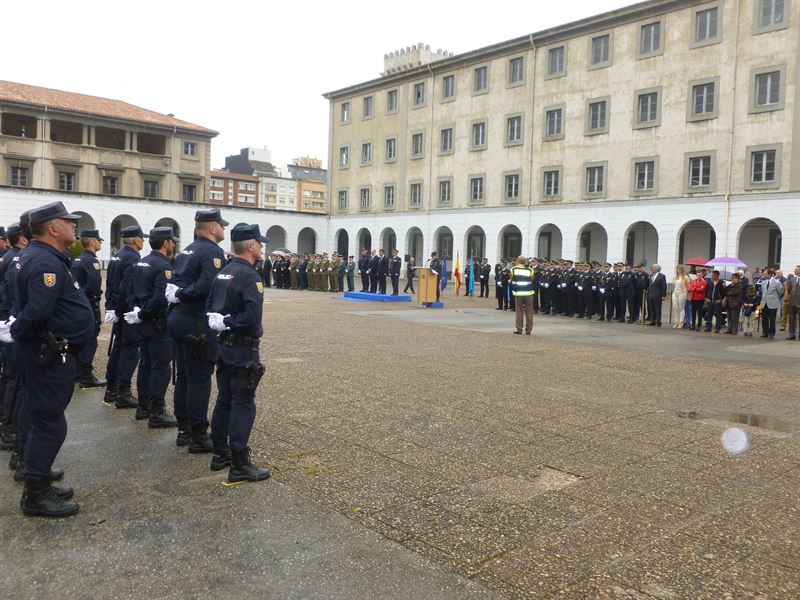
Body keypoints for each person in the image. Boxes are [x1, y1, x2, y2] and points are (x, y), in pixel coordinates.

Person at [2, 202, 95, 518]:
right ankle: (36, 494)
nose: (74, 227)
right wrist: (15, 330)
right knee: (49, 423)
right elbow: (36, 312)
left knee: (40, 416)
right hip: (49, 355)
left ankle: (36, 476)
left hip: (46, 353)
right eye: (69, 222)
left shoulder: (48, 257)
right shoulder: (44, 262)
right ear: (53, 228)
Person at [206, 224, 270, 482]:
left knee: (225, 398)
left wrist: (222, 322)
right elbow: (252, 317)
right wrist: (231, 321)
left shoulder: (224, 271)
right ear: (251, 246)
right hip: (242, 346)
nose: (262, 247)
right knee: (243, 403)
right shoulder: (250, 276)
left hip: (223, 345)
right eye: (260, 243)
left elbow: (210, 306)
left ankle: (219, 452)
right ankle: (240, 463)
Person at [166, 209, 228, 451]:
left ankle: (184, 430)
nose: (224, 229)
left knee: (184, 376)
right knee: (199, 379)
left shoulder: (188, 249)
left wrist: (179, 294)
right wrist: (183, 294)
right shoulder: (212, 251)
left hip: (179, 318)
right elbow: (207, 286)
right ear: (212, 228)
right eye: (221, 225)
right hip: (196, 320)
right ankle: (199, 435)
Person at [124, 227, 179, 428]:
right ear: (165, 243)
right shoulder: (163, 265)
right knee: (161, 367)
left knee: (146, 364)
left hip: (143, 322)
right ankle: (157, 411)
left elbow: (129, 290)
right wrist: (144, 313)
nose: (173, 244)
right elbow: (159, 298)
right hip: (157, 323)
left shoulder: (141, 261)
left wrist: (137, 311)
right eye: (172, 241)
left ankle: (143, 407)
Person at [103, 225, 148, 410]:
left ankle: (111, 388)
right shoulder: (133, 258)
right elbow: (126, 287)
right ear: (135, 240)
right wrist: (125, 309)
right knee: (129, 350)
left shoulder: (118, 255)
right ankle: (123, 392)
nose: (144, 241)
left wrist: (111, 307)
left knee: (118, 348)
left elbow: (110, 283)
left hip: (117, 307)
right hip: (127, 309)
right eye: (142, 238)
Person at [71, 230, 107, 388]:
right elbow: (93, 284)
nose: (100, 243)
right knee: (91, 338)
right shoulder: (91, 260)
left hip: (78, 303)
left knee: (79, 337)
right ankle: (85, 374)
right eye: (99, 240)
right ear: (92, 242)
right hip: (89, 303)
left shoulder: (78, 258)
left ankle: (76, 373)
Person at [509, 255, 535, 335]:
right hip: (528, 292)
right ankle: (529, 330)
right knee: (529, 312)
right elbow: (532, 278)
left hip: (519, 292)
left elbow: (511, 278)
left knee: (519, 311)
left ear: (518, 261)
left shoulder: (513, 269)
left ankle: (519, 329)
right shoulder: (530, 269)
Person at [760, 268, 783, 339]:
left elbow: (781, 293)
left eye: (765, 274)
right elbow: (763, 293)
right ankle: (765, 332)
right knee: (764, 319)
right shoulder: (763, 282)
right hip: (764, 303)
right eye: (763, 274)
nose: (763, 275)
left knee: (772, 319)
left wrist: (775, 299)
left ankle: (772, 333)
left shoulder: (777, 282)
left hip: (773, 303)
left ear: (769, 274)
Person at [785, 266, 800, 340]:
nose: (794, 270)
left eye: (796, 270)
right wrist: (787, 300)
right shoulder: (792, 279)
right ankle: (792, 335)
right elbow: (788, 290)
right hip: (792, 303)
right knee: (791, 319)